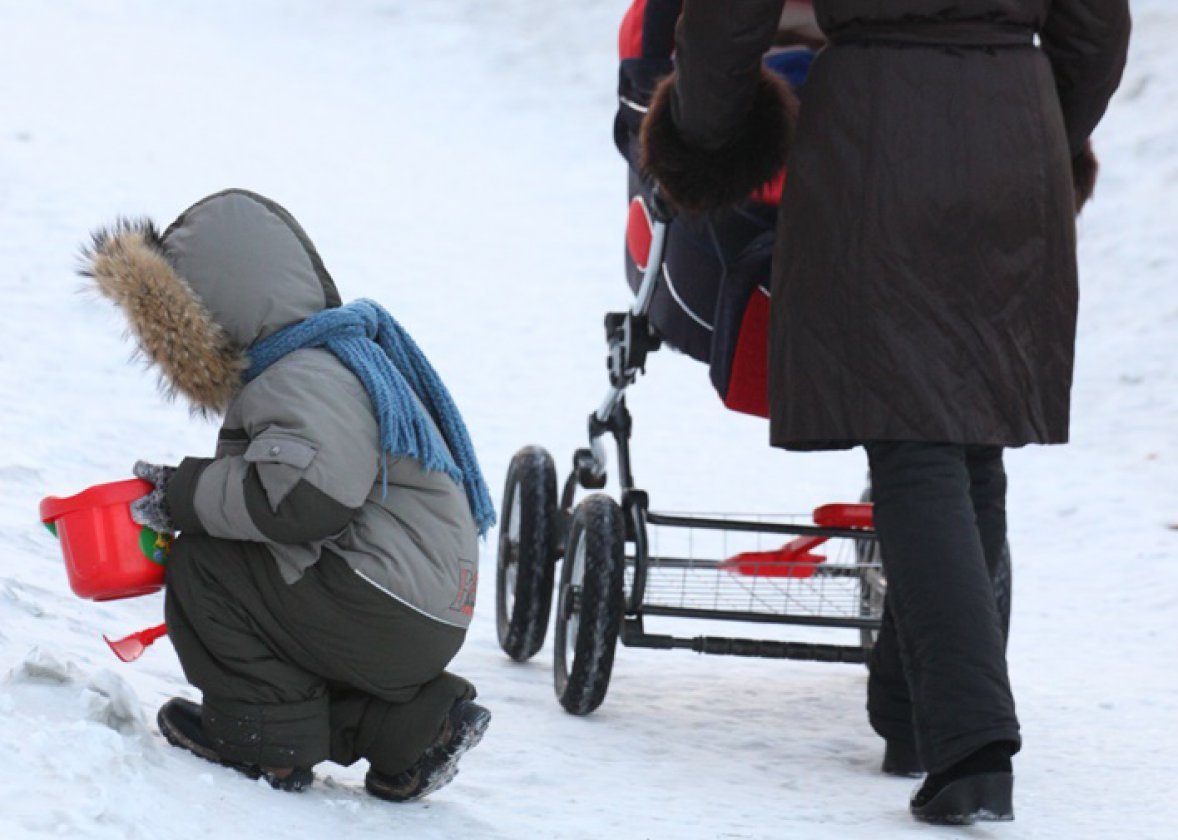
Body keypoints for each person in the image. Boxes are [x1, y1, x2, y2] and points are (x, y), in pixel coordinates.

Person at [640, 0, 1130, 825]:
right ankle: (910, 716)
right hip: (1015, 131)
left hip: (875, 136)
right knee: (968, 430)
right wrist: (1039, 120)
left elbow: (727, 20)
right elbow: (1096, 32)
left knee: (916, 442)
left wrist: (710, 136)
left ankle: (970, 745)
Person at [81, 188, 494, 801]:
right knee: (276, 599)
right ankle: (413, 729)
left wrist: (185, 493)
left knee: (210, 566)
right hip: (416, 613)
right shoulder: (329, 359)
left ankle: (262, 744)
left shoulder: (304, 375)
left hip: (384, 601)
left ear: (207, 313)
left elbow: (302, 502)